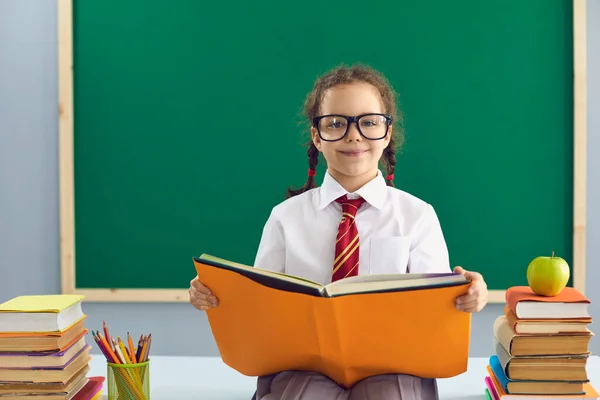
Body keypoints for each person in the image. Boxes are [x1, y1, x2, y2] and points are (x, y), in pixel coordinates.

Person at [189, 63, 488, 399]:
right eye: (336, 124)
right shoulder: (285, 217)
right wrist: (215, 295)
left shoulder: (418, 216)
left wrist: (469, 293)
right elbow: (261, 303)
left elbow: (437, 306)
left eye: (369, 122)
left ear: (387, 133)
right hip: (305, 364)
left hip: (392, 364)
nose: (354, 135)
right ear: (317, 136)